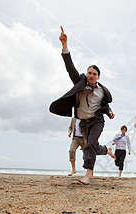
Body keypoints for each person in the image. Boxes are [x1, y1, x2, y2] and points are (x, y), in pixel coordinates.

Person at [49, 26, 116, 185]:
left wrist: (110, 111)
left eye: (94, 74)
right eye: (89, 73)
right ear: (86, 74)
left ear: (98, 76)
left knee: (90, 145)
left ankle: (88, 174)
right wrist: (65, 46)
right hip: (83, 122)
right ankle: (106, 150)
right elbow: (69, 67)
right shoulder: (80, 81)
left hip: (96, 121)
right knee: (92, 146)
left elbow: (104, 105)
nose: (91, 76)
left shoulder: (102, 91)